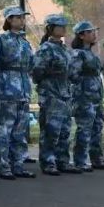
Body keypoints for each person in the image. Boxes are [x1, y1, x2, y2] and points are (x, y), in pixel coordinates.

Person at [0, 7, 36, 180]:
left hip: (23, 90)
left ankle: (18, 165)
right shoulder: (0, 41)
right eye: (18, 17)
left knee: (20, 131)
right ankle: (4, 166)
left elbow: (31, 65)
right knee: (4, 130)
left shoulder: (25, 42)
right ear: (9, 20)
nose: (22, 20)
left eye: (23, 17)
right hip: (6, 90)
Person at [32, 14, 74, 176]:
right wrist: (47, 85)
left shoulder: (64, 49)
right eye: (59, 26)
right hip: (51, 94)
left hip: (65, 93)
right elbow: (37, 71)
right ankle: (48, 162)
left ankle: (62, 161)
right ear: (50, 28)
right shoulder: (45, 49)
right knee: (51, 130)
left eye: (64, 26)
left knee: (64, 130)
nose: (63, 28)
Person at [70, 21, 104, 171]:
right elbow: (73, 75)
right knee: (84, 129)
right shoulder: (77, 54)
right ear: (81, 36)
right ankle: (80, 161)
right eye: (89, 32)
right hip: (84, 98)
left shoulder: (92, 54)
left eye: (93, 31)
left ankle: (97, 159)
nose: (93, 34)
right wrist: (82, 91)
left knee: (97, 128)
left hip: (96, 97)